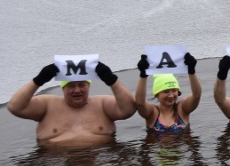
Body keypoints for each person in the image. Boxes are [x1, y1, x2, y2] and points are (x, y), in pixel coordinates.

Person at [7, 61, 136, 146]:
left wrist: (112, 80)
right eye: (71, 86)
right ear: (62, 88)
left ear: (88, 85)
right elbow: (15, 107)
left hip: (100, 159)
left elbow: (128, 109)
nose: (77, 90)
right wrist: (38, 80)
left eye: (82, 85)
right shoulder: (47, 104)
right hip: (54, 164)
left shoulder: (101, 103)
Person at [135, 53, 201, 133]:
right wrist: (143, 75)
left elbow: (196, 96)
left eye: (174, 91)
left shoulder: (182, 109)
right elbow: (139, 103)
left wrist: (191, 71)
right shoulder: (152, 112)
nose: (171, 95)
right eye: (166, 92)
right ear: (157, 94)